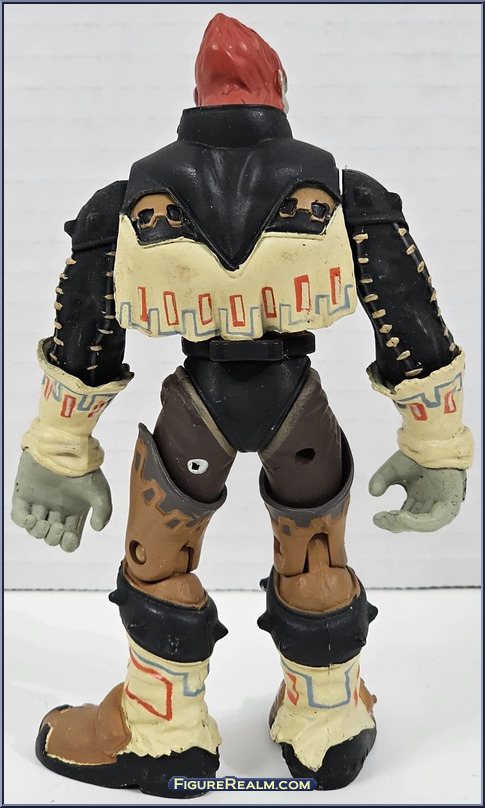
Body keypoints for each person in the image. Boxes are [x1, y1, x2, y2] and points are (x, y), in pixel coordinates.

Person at [11, 13, 473, 798]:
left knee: (158, 562)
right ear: (277, 91)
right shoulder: (345, 193)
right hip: (300, 408)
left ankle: (162, 733)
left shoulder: (125, 200)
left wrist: (59, 450)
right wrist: (435, 447)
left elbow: (87, 331)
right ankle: (327, 724)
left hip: (197, 405)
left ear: (198, 95)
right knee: (315, 557)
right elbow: (409, 322)